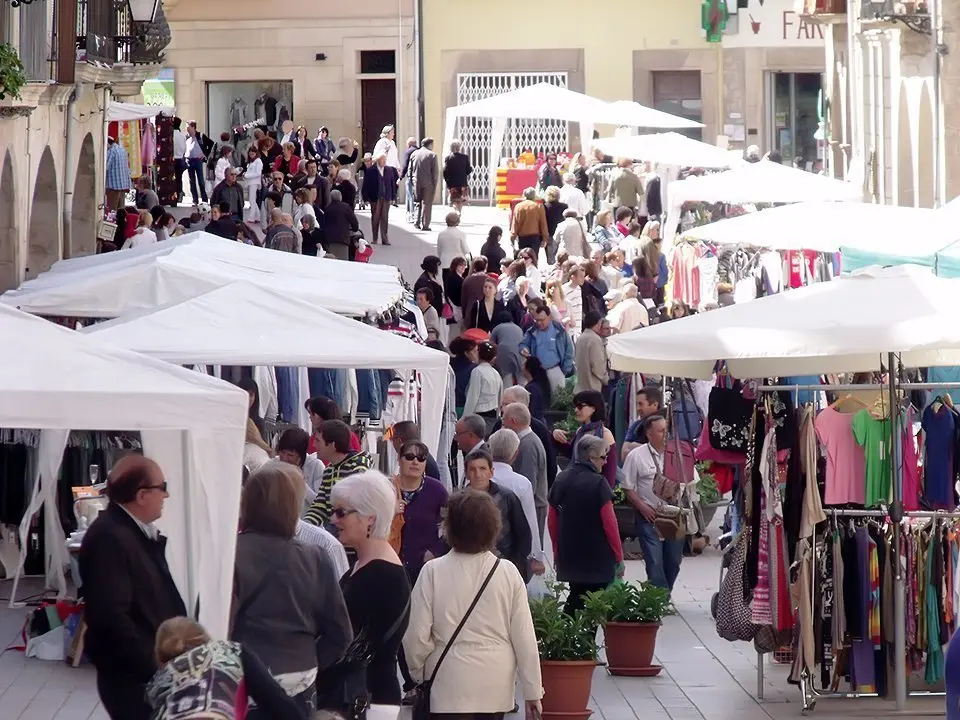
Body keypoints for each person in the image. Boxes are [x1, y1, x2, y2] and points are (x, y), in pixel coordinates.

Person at [402, 488, 543, 720]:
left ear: (449, 527)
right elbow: (524, 638)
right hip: (494, 684)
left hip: (447, 682)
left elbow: (416, 634)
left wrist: (420, 672)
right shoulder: (507, 572)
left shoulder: (432, 572)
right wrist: (532, 692)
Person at [233, 466, 353, 715]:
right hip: (300, 679)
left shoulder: (230, 555)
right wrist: (310, 663)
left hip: (244, 679)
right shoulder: (314, 556)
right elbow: (340, 633)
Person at [79, 456, 187, 720]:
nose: (167, 494)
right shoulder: (110, 537)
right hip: (133, 679)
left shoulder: (129, 531)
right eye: (162, 487)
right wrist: (152, 668)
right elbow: (111, 617)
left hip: (145, 674)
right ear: (142, 495)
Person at [328, 471, 412, 705]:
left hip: (367, 699)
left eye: (341, 512)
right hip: (360, 694)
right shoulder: (366, 565)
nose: (334, 519)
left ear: (370, 519)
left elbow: (347, 643)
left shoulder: (381, 573)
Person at [148, 617, 309, 720]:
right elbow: (280, 705)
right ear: (206, 640)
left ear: (160, 658)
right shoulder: (229, 653)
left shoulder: (155, 687)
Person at [390, 439, 449, 694]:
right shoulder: (387, 488)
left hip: (425, 567)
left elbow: (448, 527)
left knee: (426, 623)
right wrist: (391, 513)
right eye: (410, 456)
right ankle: (411, 683)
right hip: (393, 565)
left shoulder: (436, 490)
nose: (415, 461)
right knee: (402, 625)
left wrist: (435, 551)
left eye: (421, 458)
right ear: (400, 459)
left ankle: (428, 678)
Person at [548, 434, 623, 615]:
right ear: (591, 458)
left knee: (576, 594)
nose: (605, 462)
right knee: (594, 603)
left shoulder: (562, 479)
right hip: (598, 556)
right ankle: (585, 638)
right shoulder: (599, 483)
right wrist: (619, 556)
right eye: (603, 457)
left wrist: (556, 550)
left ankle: (568, 636)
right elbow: (610, 523)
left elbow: (552, 520)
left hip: (570, 552)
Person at [621, 414, 685, 591]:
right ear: (649, 434)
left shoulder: (677, 453)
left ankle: (665, 593)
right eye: (661, 431)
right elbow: (628, 487)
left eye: (667, 430)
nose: (666, 434)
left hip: (674, 515)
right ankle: (659, 599)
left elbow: (691, 479)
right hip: (649, 515)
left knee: (673, 559)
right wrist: (642, 507)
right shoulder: (636, 456)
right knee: (654, 560)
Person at [462, 450, 532, 581]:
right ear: (466, 473)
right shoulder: (459, 501)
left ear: (491, 471)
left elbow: (523, 535)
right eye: (472, 469)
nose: (478, 474)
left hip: (503, 565)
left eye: (482, 468)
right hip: (468, 567)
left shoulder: (507, 498)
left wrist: (514, 565)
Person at [489, 428, 545, 576]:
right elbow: (530, 520)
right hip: (510, 549)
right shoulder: (521, 483)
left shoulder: (474, 477)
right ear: (515, 454)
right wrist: (536, 556)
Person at [304, 419, 374, 526]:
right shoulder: (329, 470)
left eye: (318, 441)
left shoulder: (359, 465)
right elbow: (320, 505)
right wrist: (304, 526)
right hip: (334, 527)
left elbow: (359, 504)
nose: (314, 445)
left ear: (332, 445)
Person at [501, 403, 547, 541]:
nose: (502, 423)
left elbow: (528, 483)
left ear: (513, 421)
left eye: (504, 419)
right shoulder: (527, 441)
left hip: (533, 507)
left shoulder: (528, 445)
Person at [552, 390, 617, 488]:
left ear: (593, 408)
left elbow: (610, 471)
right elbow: (572, 453)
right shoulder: (580, 431)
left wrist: (606, 496)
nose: (576, 410)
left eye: (580, 406)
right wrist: (555, 435)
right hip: (576, 484)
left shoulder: (605, 434)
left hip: (594, 488)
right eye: (576, 407)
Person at [519, 304, 574, 391]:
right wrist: (523, 349)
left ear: (549, 317)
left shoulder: (559, 330)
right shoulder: (532, 331)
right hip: (538, 372)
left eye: (542, 320)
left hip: (555, 370)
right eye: (536, 320)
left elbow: (569, 350)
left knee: (557, 399)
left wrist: (565, 370)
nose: (539, 323)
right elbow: (523, 344)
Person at [464, 340, 504, 430]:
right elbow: (500, 397)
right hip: (493, 415)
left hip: (480, 415)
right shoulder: (496, 373)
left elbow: (473, 397)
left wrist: (465, 419)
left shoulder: (477, 371)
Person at [277, 426, 325, 497]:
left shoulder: (316, 466)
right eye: (282, 452)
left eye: (290, 455)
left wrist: (300, 482)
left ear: (301, 455)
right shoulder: (274, 464)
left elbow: (319, 500)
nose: (284, 458)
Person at [621, 386, 664, 460]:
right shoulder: (636, 425)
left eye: (641, 404)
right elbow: (624, 455)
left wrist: (633, 446)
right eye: (637, 404)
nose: (638, 408)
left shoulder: (670, 424)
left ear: (654, 405)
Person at [362, 152, 397, 245]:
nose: (384, 161)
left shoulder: (389, 170)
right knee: (375, 218)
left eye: (385, 160)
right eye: (382, 160)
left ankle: (385, 239)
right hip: (375, 197)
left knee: (385, 218)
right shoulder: (370, 171)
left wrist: (393, 197)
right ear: (378, 160)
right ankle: (375, 238)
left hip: (386, 197)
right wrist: (365, 198)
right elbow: (365, 185)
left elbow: (392, 184)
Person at [574, 311, 609, 394]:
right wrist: (606, 379)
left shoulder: (580, 338)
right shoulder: (595, 339)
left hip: (580, 386)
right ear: (597, 323)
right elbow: (597, 366)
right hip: (592, 387)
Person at [411, 137, 440, 231]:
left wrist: (412, 179)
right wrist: (435, 184)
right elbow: (435, 172)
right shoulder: (432, 155)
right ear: (430, 145)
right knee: (426, 204)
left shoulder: (414, 153)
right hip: (428, 183)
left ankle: (416, 221)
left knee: (417, 202)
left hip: (416, 181)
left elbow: (410, 169)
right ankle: (425, 224)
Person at [323, 189, 360, 260]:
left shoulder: (327, 209)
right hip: (343, 239)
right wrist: (355, 228)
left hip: (330, 240)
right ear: (340, 197)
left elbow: (324, 224)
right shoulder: (346, 207)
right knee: (343, 261)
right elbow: (354, 222)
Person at [511, 187, 548, 255]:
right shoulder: (538, 206)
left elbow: (515, 223)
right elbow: (543, 224)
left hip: (522, 238)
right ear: (534, 196)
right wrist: (544, 238)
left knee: (523, 259)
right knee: (533, 258)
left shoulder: (518, 206)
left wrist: (512, 237)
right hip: (535, 238)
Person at [443, 139, 473, 215]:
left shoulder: (448, 158)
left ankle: (457, 211)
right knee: (461, 200)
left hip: (452, 183)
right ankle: (459, 212)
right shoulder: (465, 157)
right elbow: (468, 170)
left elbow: (445, 171)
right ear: (459, 147)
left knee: (454, 200)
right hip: (462, 183)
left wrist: (447, 181)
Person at [449, 336, 478, 413]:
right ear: (466, 353)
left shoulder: (449, 363)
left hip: (448, 403)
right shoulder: (474, 368)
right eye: (475, 351)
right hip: (464, 405)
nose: (477, 354)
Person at [491, 320, 524, 387]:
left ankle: (508, 393)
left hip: (504, 351)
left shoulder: (497, 327)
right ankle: (523, 393)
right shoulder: (518, 328)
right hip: (520, 351)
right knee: (520, 375)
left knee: (506, 374)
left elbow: (492, 344)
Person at [542, 186, 568, 264]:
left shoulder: (544, 206)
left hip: (549, 234)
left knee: (550, 259)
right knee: (560, 257)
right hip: (561, 233)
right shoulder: (564, 206)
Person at [105, 136, 132, 210]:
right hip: (123, 186)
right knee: (121, 211)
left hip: (113, 186)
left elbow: (105, 167)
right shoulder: (122, 150)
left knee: (112, 210)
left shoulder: (111, 151)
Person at [523, 356, 552, 425]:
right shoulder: (541, 384)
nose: (522, 369)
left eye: (523, 366)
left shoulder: (531, 388)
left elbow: (532, 409)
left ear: (528, 369)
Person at [443, 256, 468, 328]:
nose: (463, 267)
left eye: (464, 265)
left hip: (455, 309)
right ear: (455, 266)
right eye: (461, 265)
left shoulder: (453, 277)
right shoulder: (456, 279)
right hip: (456, 309)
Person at [399, 136, 420, 222]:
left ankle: (411, 214)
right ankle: (416, 214)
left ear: (409, 144)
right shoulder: (420, 151)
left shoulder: (408, 152)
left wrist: (400, 177)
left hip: (411, 176)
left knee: (410, 195)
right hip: (419, 177)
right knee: (417, 196)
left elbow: (405, 166)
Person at [242, 146, 263, 223]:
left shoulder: (258, 161)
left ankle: (252, 217)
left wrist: (247, 175)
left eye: (253, 154)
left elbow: (258, 173)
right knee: (252, 199)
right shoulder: (251, 162)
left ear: (256, 153)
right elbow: (250, 171)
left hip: (254, 182)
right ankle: (257, 216)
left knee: (252, 199)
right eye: (250, 154)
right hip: (250, 182)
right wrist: (245, 174)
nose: (251, 155)